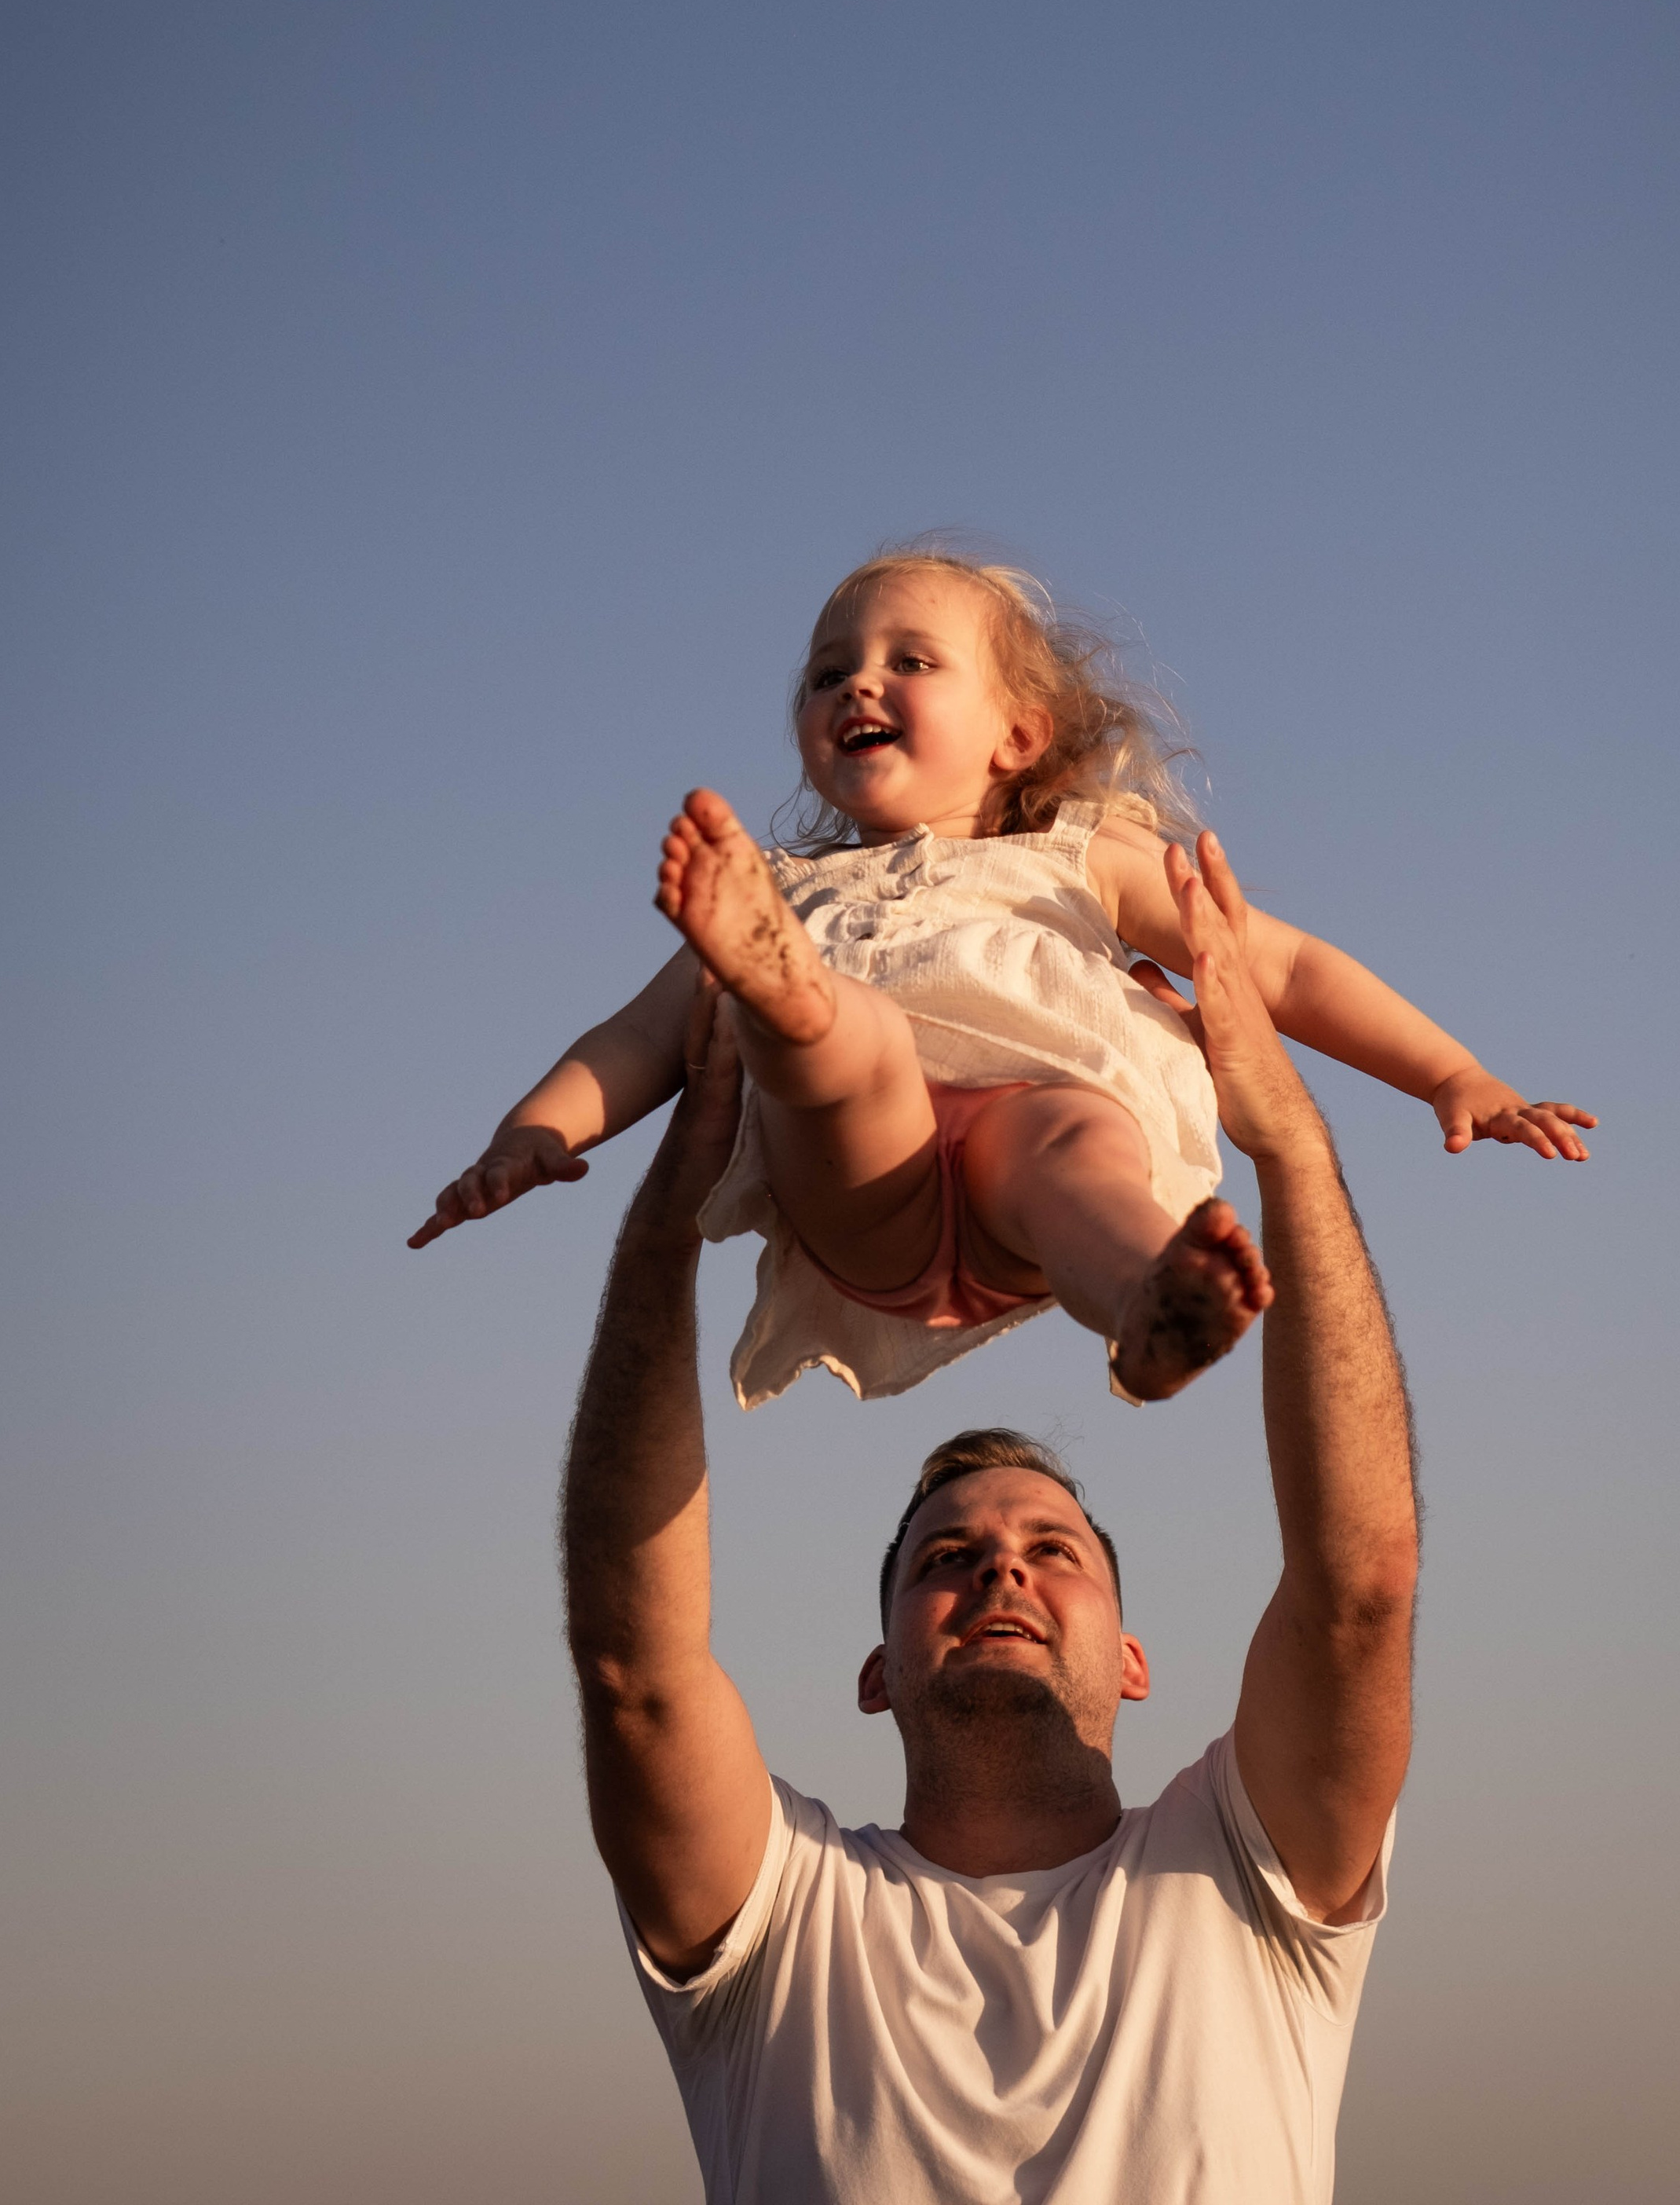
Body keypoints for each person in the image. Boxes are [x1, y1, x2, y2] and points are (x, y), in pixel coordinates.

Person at [562, 833, 1419, 2202]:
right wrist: (666, 1233)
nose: (999, 1573)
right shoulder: (786, 1923)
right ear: (875, 1669)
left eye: (1051, 1551)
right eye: (946, 1559)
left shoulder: (1243, 1878)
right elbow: (637, 1677)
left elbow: (1360, 1586)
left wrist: (1293, 1147)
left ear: (1136, 1659)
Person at [419, 550, 1591, 1413]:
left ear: (1017, 736)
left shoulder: (1081, 855)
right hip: (864, 1188)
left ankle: (1146, 1298)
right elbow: (634, 1038)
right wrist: (532, 1129)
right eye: (827, 673)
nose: (854, 687)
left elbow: (1277, 962)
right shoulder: (776, 887)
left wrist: (1451, 1070)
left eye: (908, 661)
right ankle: (786, 1000)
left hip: (1029, 1143)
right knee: (850, 1044)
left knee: (1075, 1143)